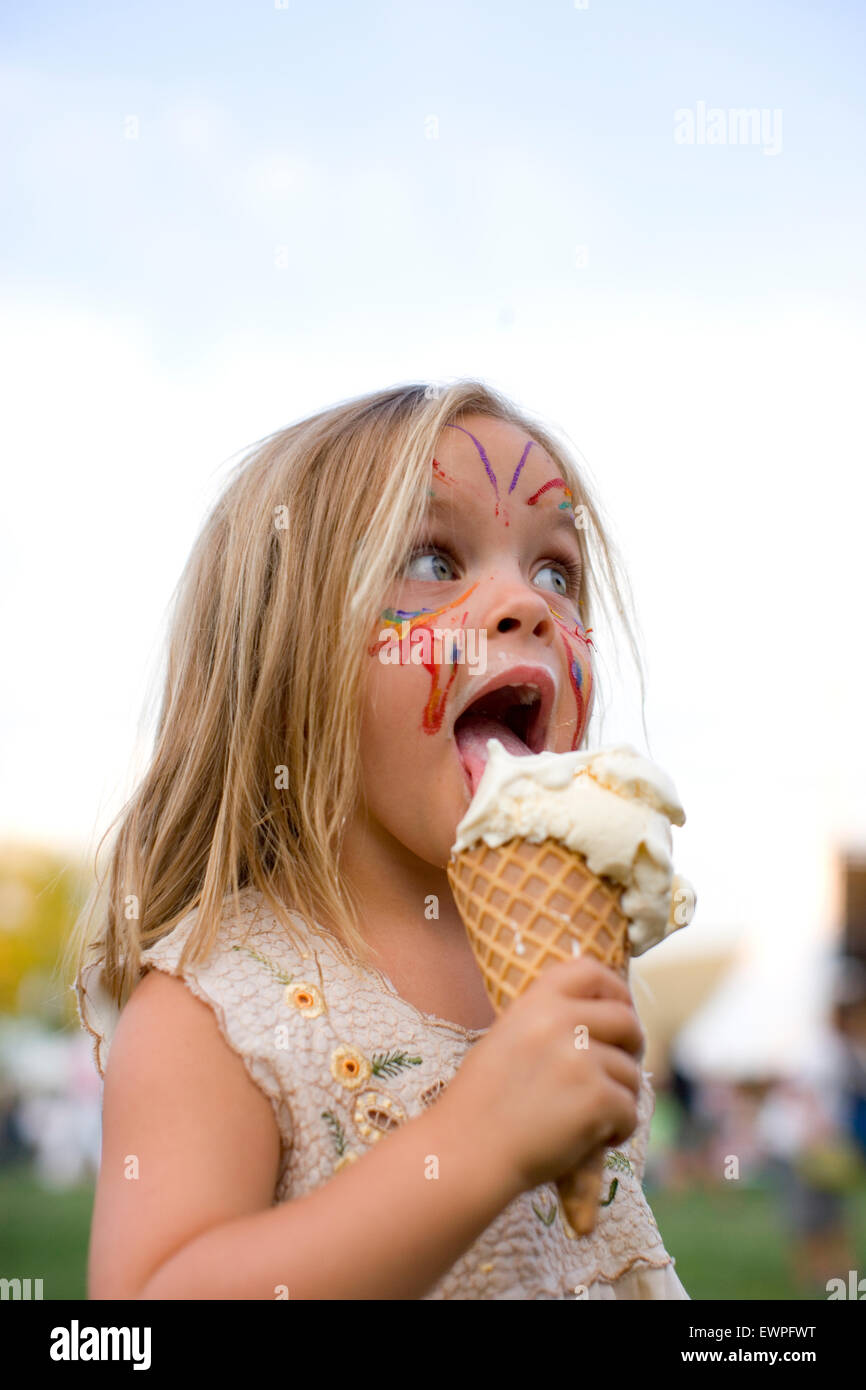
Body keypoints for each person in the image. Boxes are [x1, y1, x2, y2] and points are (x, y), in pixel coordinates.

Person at [66, 380, 689, 1300]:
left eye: (556, 572)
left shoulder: (572, 974)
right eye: (434, 559)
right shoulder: (217, 1010)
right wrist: (474, 1144)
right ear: (283, 658)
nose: (527, 604)